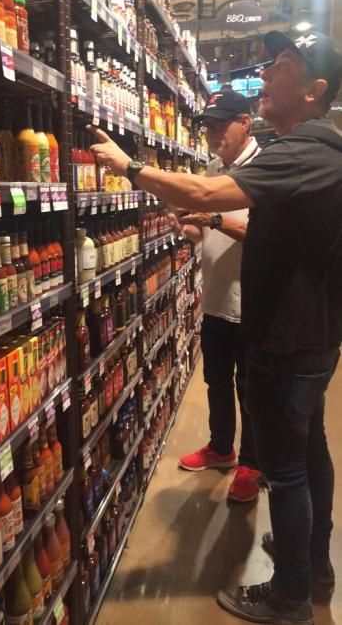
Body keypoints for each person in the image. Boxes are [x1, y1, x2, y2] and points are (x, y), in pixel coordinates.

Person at [89, 30, 342, 624]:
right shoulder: (316, 148)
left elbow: (206, 191)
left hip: (287, 338)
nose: (266, 74)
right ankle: (313, 563)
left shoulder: (304, 150)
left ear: (314, 90)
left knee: (286, 469)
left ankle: (289, 595)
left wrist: (131, 166)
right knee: (310, 450)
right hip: (308, 335)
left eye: (282, 66)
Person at [176, 90, 262, 503]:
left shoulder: (263, 168)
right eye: (207, 125)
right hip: (214, 300)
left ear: (245, 122)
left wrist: (211, 218)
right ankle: (222, 447)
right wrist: (187, 226)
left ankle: (252, 464)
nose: (211, 132)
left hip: (251, 305)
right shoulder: (212, 169)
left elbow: (263, 235)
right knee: (216, 381)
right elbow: (204, 234)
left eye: (220, 123)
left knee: (250, 389)